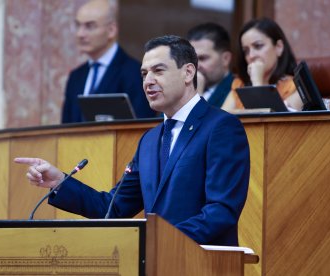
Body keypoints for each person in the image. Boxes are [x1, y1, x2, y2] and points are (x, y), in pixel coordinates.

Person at [15, 35, 250, 246]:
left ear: (188, 73)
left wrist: (159, 241)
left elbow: (221, 211)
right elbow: (114, 208)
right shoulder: (150, 140)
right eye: (144, 74)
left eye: (158, 71)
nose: (148, 81)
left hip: (203, 264)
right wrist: (60, 182)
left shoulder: (221, 127)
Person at [61, 0, 155, 123]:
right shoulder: (76, 76)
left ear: (111, 30)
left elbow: (142, 126)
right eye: (78, 25)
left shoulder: (134, 73)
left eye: (89, 26)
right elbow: (65, 128)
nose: (80, 34)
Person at [222, 17, 303, 111]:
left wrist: (257, 81)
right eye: (246, 51)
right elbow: (220, 119)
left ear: (278, 47)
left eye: (258, 46)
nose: (251, 55)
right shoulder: (240, 84)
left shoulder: (296, 87)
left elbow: (264, 122)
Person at [187, 22, 234, 108]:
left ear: (225, 59)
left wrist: (196, 97)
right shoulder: (183, 90)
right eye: (192, 59)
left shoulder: (237, 90)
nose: (196, 66)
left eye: (203, 58)